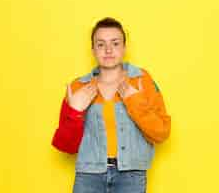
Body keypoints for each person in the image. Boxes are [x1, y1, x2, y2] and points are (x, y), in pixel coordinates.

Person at [51, 17, 171, 193]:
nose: (108, 50)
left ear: (124, 47)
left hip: (131, 175)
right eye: (101, 44)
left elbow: (161, 133)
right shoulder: (78, 87)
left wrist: (133, 100)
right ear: (93, 49)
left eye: (115, 43)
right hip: (88, 176)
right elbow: (65, 146)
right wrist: (75, 112)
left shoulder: (141, 81)